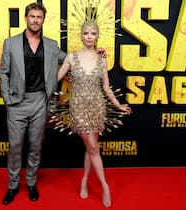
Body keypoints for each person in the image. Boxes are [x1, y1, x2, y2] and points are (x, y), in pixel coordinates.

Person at [56, 21, 132, 208]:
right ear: (81, 35)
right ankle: (105, 186)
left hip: (98, 107)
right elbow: (55, 79)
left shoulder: (102, 60)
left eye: (92, 33)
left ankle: (84, 179)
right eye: (86, 33)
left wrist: (118, 105)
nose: (89, 36)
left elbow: (106, 87)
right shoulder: (71, 58)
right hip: (79, 107)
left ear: (97, 36)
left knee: (92, 148)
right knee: (92, 147)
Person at [0, 2, 67, 205]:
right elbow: (3, 72)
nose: (35, 20)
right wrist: (7, 98)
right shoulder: (10, 43)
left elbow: (71, 59)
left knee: (36, 146)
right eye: (32, 16)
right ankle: (12, 186)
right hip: (17, 102)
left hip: (40, 100)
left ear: (43, 20)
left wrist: (92, 52)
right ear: (26, 18)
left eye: (39, 17)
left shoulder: (52, 45)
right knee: (15, 146)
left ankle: (31, 183)